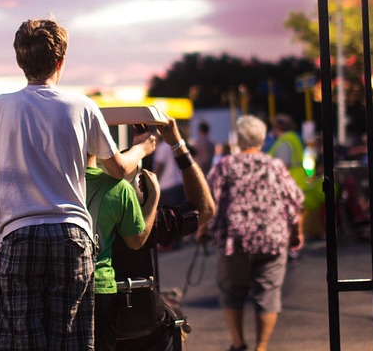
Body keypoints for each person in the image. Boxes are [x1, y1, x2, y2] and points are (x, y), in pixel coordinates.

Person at [0, 18, 157, 351]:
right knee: (72, 340)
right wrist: (143, 147)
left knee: (22, 341)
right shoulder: (83, 107)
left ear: (20, 61)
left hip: (20, 236)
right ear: (61, 62)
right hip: (72, 235)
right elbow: (120, 168)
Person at [112, 117, 216, 351]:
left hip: (87, 322)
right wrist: (177, 144)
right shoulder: (140, 219)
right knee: (170, 320)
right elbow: (204, 209)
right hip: (138, 325)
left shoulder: (68, 214)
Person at [202, 115, 303, 351]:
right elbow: (295, 200)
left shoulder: (225, 165)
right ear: (261, 138)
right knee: (268, 293)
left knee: (231, 292)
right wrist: (296, 232)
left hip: (234, 240)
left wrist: (202, 229)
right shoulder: (274, 165)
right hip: (272, 238)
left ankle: (238, 344)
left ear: (238, 138)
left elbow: (208, 201)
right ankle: (262, 347)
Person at [88, 159, 158, 351]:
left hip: (56, 284)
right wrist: (153, 197)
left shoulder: (52, 182)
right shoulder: (119, 188)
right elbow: (136, 241)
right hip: (99, 288)